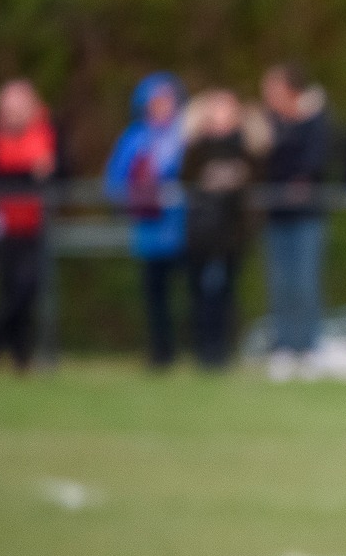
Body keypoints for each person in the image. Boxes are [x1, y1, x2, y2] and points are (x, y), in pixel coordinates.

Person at [103, 73, 188, 369]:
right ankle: (159, 354)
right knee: (155, 296)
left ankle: (195, 352)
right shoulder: (135, 138)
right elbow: (115, 180)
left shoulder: (184, 135)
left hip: (184, 231)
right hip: (150, 231)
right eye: (156, 102)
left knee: (190, 295)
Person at [180, 89, 262, 369]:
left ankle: (223, 351)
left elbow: (260, 168)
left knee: (226, 292)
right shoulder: (196, 145)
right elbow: (184, 175)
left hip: (232, 229)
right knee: (200, 292)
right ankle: (202, 350)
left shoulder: (245, 143)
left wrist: (238, 175)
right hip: (201, 228)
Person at [259, 63, 332, 374]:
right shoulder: (267, 124)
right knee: (280, 284)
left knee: (305, 283)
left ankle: (309, 347)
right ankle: (284, 346)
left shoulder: (315, 121)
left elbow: (319, 162)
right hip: (276, 215)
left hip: (306, 216)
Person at [0, 79, 55, 373]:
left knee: (28, 287)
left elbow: (55, 171)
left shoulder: (46, 134)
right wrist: (30, 170)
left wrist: (43, 171)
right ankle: (15, 354)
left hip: (35, 222)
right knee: (10, 288)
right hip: (3, 223)